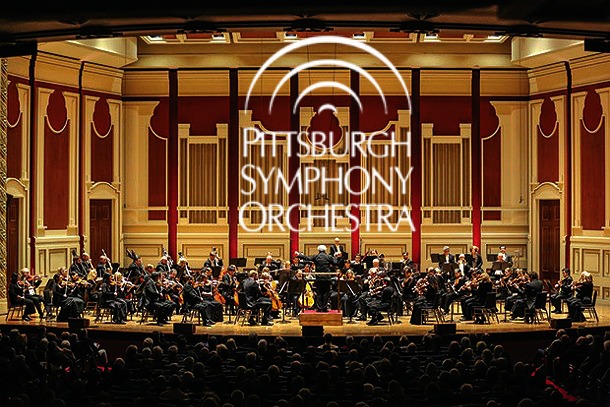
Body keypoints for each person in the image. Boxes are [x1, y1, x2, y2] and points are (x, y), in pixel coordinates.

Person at [296, 245, 340, 312]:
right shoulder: (328, 257)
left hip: (318, 277)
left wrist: (299, 255)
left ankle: (319, 308)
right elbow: (335, 263)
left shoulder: (316, 256)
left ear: (318, 250)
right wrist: (337, 257)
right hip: (327, 278)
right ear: (325, 250)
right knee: (326, 293)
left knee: (319, 293)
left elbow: (308, 258)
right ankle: (324, 308)